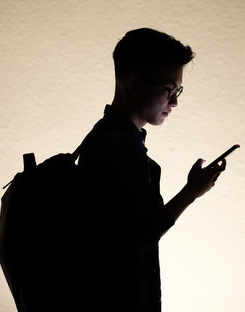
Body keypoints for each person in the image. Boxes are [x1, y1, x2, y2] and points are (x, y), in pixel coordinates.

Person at [75, 27, 227, 311]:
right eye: (170, 90)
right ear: (134, 82)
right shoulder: (117, 147)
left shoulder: (110, 138)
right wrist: (191, 193)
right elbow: (135, 240)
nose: (175, 102)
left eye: (178, 90)